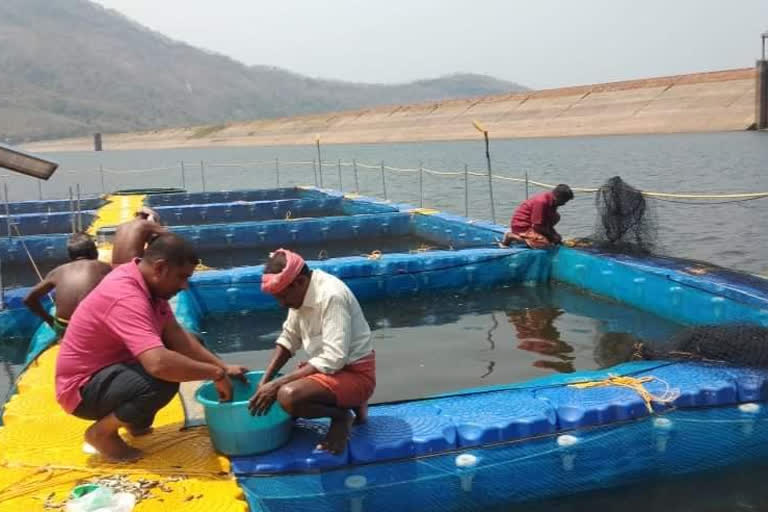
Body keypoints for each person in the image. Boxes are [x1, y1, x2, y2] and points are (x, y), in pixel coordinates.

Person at [55, 233, 247, 461]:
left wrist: (222, 367)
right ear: (160, 268)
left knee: (192, 341)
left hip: (111, 370)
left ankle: (133, 422)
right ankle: (101, 434)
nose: (185, 286)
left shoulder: (149, 286)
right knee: (163, 379)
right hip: (82, 390)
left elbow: (177, 336)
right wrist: (214, 374)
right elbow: (158, 364)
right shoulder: (125, 295)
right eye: (182, 277)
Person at [249, 249, 375, 454]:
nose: (281, 304)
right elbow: (289, 339)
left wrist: (278, 384)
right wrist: (265, 381)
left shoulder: (331, 296)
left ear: (298, 282)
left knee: (288, 397)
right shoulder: (299, 294)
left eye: (282, 296)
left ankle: (342, 416)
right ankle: (351, 402)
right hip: (331, 373)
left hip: (356, 375)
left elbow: (335, 359)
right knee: (278, 399)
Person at [23, 233, 112, 337]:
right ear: (94, 252)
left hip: (64, 328)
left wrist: (50, 321)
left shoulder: (57, 271)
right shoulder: (104, 268)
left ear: (70, 256)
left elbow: (28, 299)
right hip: (93, 329)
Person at [501, 184, 574, 249]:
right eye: (564, 201)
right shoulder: (541, 202)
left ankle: (536, 237)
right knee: (545, 244)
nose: (564, 204)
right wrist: (552, 236)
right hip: (522, 226)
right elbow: (537, 226)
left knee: (556, 217)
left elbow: (546, 222)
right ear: (558, 197)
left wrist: (554, 235)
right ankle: (512, 236)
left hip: (535, 225)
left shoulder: (552, 201)